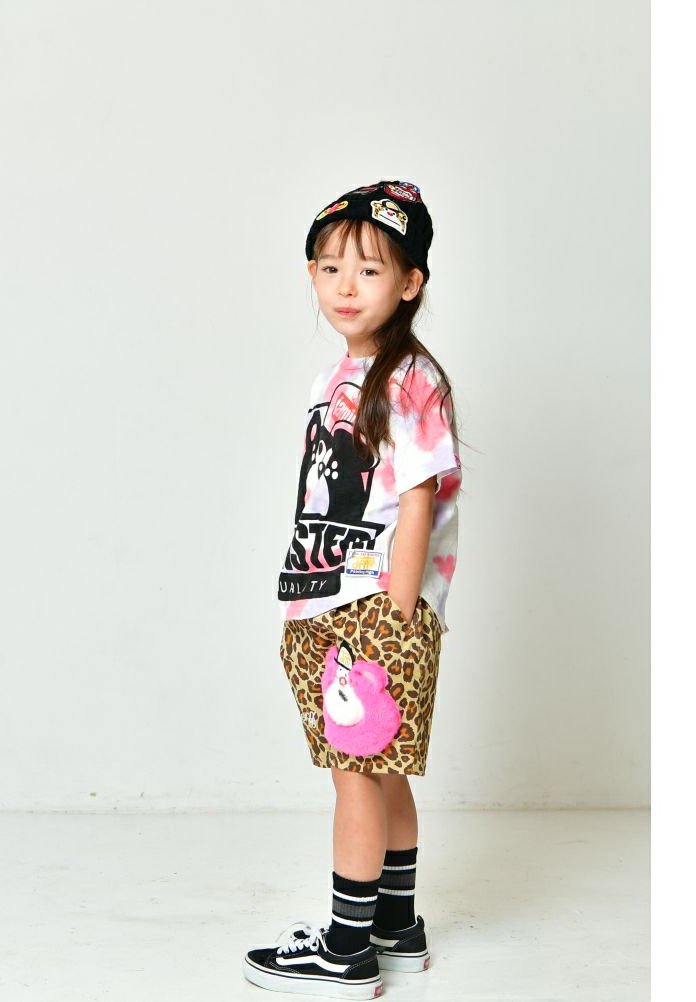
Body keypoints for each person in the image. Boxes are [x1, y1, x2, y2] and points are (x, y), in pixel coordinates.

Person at [242, 180, 464, 1000]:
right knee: (379, 766)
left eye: (369, 270)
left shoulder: (409, 378)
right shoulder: (337, 376)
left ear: (410, 282)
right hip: (328, 598)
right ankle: (395, 926)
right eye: (331, 266)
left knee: (355, 774)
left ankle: (345, 947)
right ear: (311, 273)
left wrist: (397, 619)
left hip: (373, 609)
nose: (345, 285)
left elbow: (416, 500)